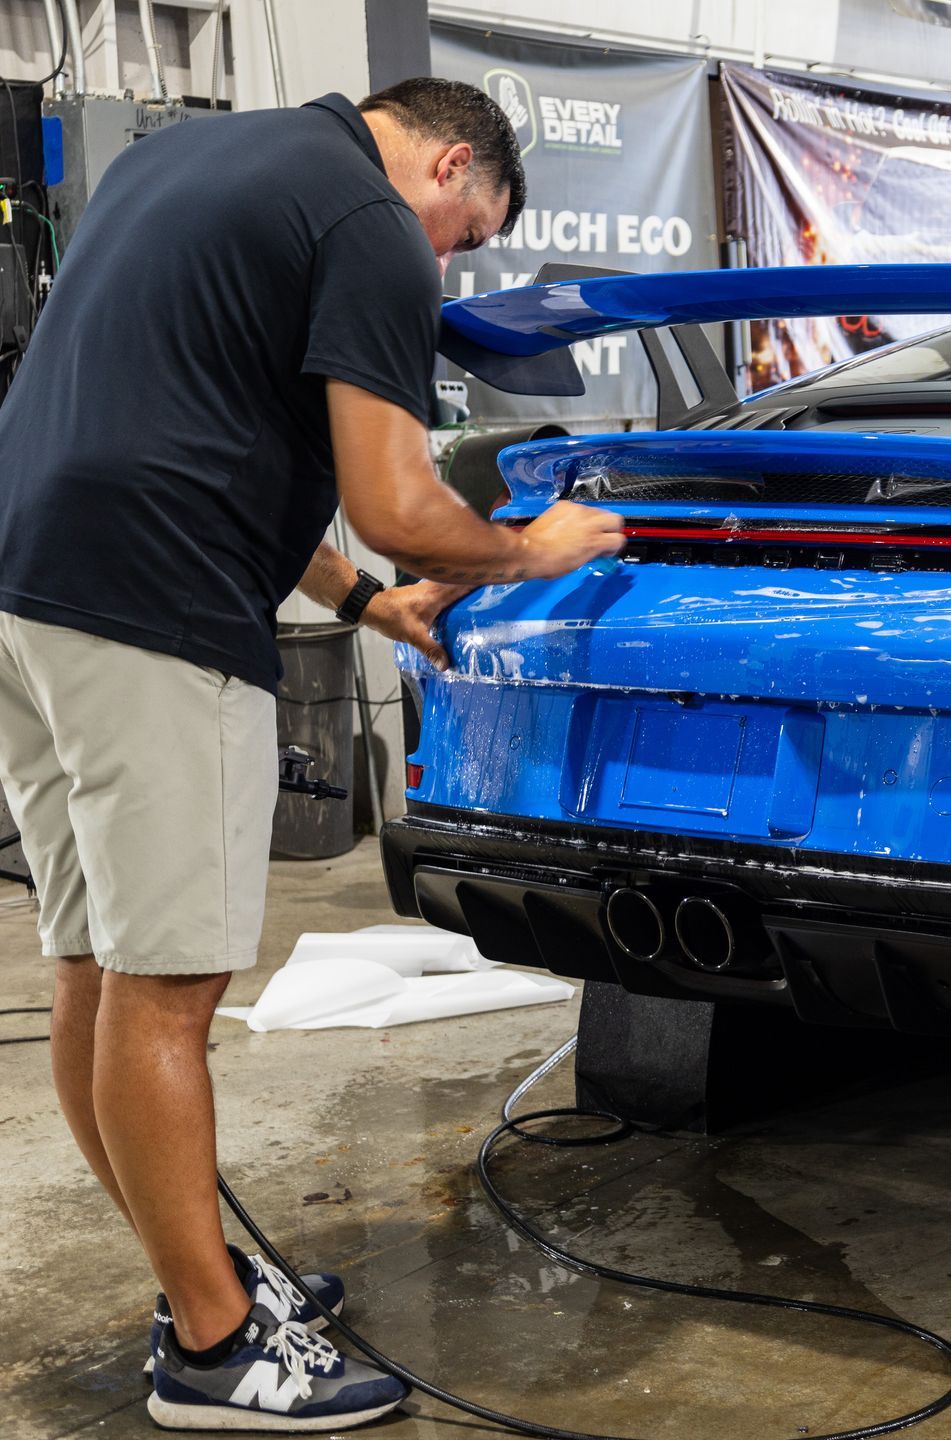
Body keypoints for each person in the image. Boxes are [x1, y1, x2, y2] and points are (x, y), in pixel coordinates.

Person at [0, 79, 623, 1430]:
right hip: (156, 608)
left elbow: (197, 432)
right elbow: (399, 499)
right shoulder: (371, 221)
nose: (449, 259)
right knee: (167, 991)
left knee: (97, 964)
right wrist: (531, 549)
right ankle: (216, 1351)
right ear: (452, 159)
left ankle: (201, 1279)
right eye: (468, 230)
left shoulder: (201, 166)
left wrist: (360, 604)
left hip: (31, 589)